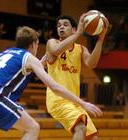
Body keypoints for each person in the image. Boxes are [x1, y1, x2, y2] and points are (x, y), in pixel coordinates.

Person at [0, 26, 102, 140]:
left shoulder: (7, 52)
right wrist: (83, 103)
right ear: (34, 44)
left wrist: (40, 62)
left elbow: (24, 69)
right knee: (33, 128)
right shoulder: (29, 57)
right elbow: (54, 87)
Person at [45, 12, 109, 140]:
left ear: (73, 29)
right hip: (58, 100)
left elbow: (92, 63)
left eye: (65, 25)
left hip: (74, 102)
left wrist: (101, 38)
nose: (61, 27)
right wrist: (78, 33)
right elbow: (56, 51)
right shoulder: (52, 42)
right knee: (80, 128)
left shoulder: (80, 49)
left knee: (93, 138)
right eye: (59, 25)